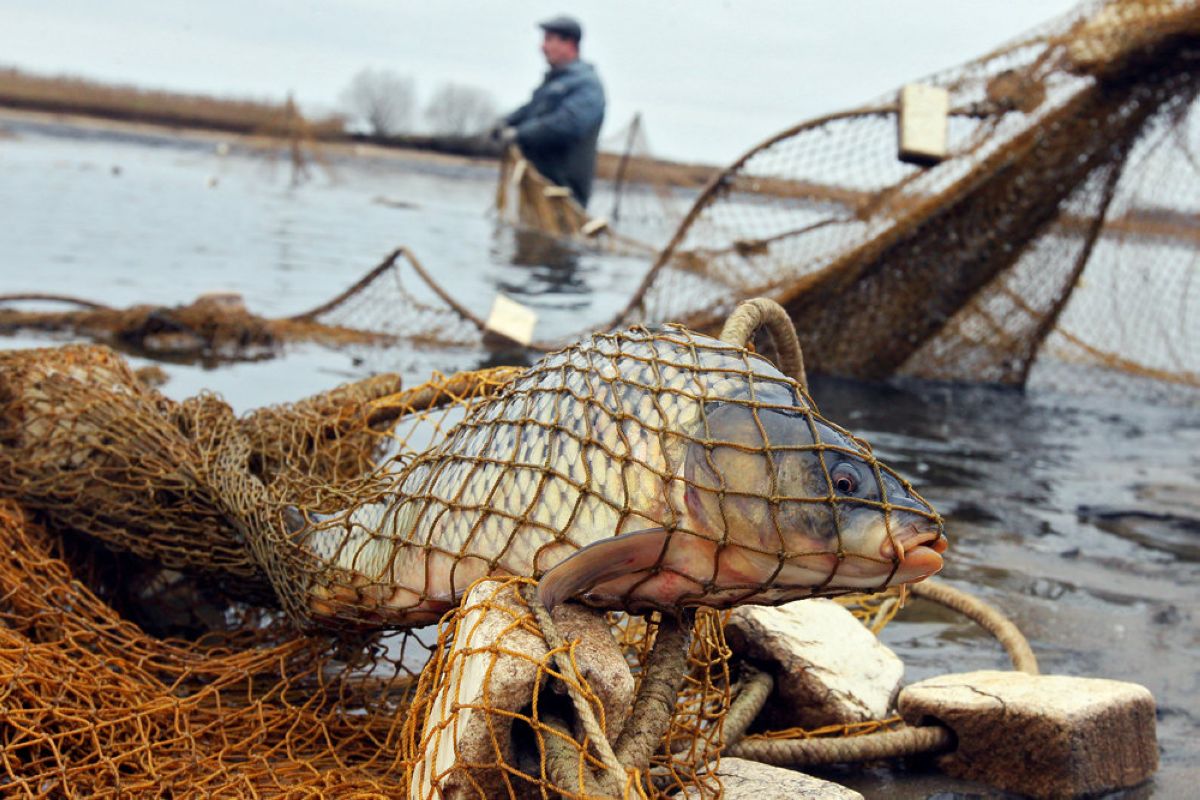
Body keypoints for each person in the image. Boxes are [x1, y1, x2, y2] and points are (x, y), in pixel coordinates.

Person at [495, 15, 606, 208]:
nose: (542, 47)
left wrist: (517, 134)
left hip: (564, 194)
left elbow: (567, 125)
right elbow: (530, 110)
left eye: (548, 40)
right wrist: (504, 123)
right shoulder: (553, 83)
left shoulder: (587, 85)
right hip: (538, 189)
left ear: (569, 44)